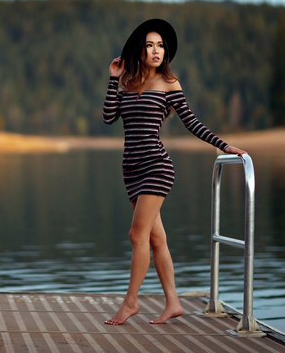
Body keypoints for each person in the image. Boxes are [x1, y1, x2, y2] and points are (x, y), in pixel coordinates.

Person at [102, 18, 247, 326]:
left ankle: (130, 303)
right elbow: (108, 117)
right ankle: (173, 303)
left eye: (161, 46)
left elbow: (192, 122)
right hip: (131, 169)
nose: (156, 51)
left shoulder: (170, 84)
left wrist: (224, 146)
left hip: (156, 165)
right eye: (150, 45)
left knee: (136, 234)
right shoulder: (127, 81)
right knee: (156, 240)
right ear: (140, 50)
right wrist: (113, 79)